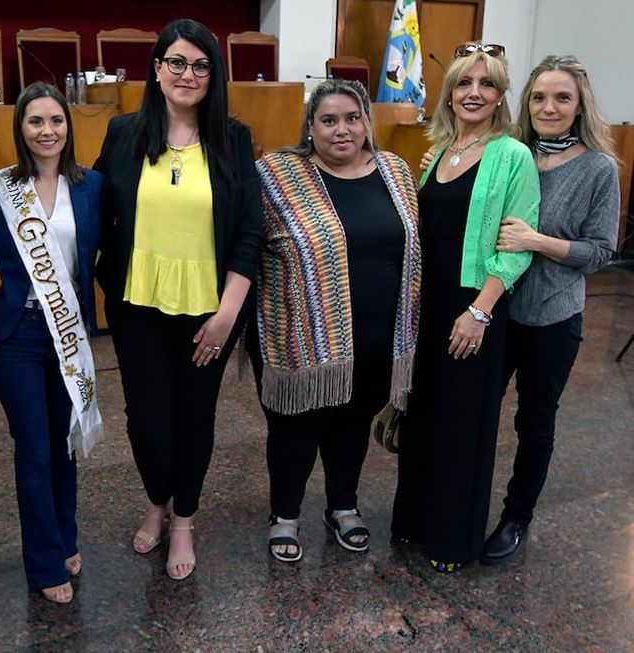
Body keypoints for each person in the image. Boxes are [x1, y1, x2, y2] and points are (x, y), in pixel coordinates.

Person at [93, 18, 261, 581]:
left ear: (214, 75)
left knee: (194, 416)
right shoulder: (122, 132)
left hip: (208, 310)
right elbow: (89, 205)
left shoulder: (232, 138)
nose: (188, 74)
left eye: (201, 64)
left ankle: (183, 517)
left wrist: (228, 314)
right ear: (157, 69)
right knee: (145, 419)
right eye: (177, 62)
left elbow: (249, 231)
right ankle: (156, 501)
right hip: (136, 301)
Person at [248, 79, 421, 562]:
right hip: (299, 337)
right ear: (310, 127)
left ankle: (343, 505)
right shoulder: (278, 175)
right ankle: (284, 515)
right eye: (328, 120)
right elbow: (245, 241)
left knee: (352, 423)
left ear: (367, 122)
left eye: (352, 118)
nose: (342, 130)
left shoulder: (395, 171)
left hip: (379, 334)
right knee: (295, 429)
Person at [391, 42, 540, 572]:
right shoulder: (439, 153)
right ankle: (413, 522)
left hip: (473, 307)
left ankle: (452, 541)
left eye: (487, 84)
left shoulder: (512, 155)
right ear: (449, 93)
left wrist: (479, 312)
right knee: (423, 416)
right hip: (426, 308)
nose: (473, 93)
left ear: (501, 96)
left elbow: (515, 246)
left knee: (462, 425)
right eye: (463, 83)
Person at [0, 82, 104, 604]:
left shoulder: (91, 187)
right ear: (20, 129)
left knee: (64, 446)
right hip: (18, 337)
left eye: (56, 121)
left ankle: (64, 539)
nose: (47, 131)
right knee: (35, 451)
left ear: (69, 126)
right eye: (35, 122)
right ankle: (44, 564)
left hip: (68, 334)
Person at [481, 55, 621, 563]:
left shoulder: (598, 168)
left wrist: (537, 241)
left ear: (580, 104)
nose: (549, 106)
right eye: (539, 96)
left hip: (551, 316)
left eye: (562, 97)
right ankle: (465, 505)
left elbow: (601, 252)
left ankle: (517, 516)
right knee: (476, 410)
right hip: (494, 308)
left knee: (535, 421)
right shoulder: (509, 153)